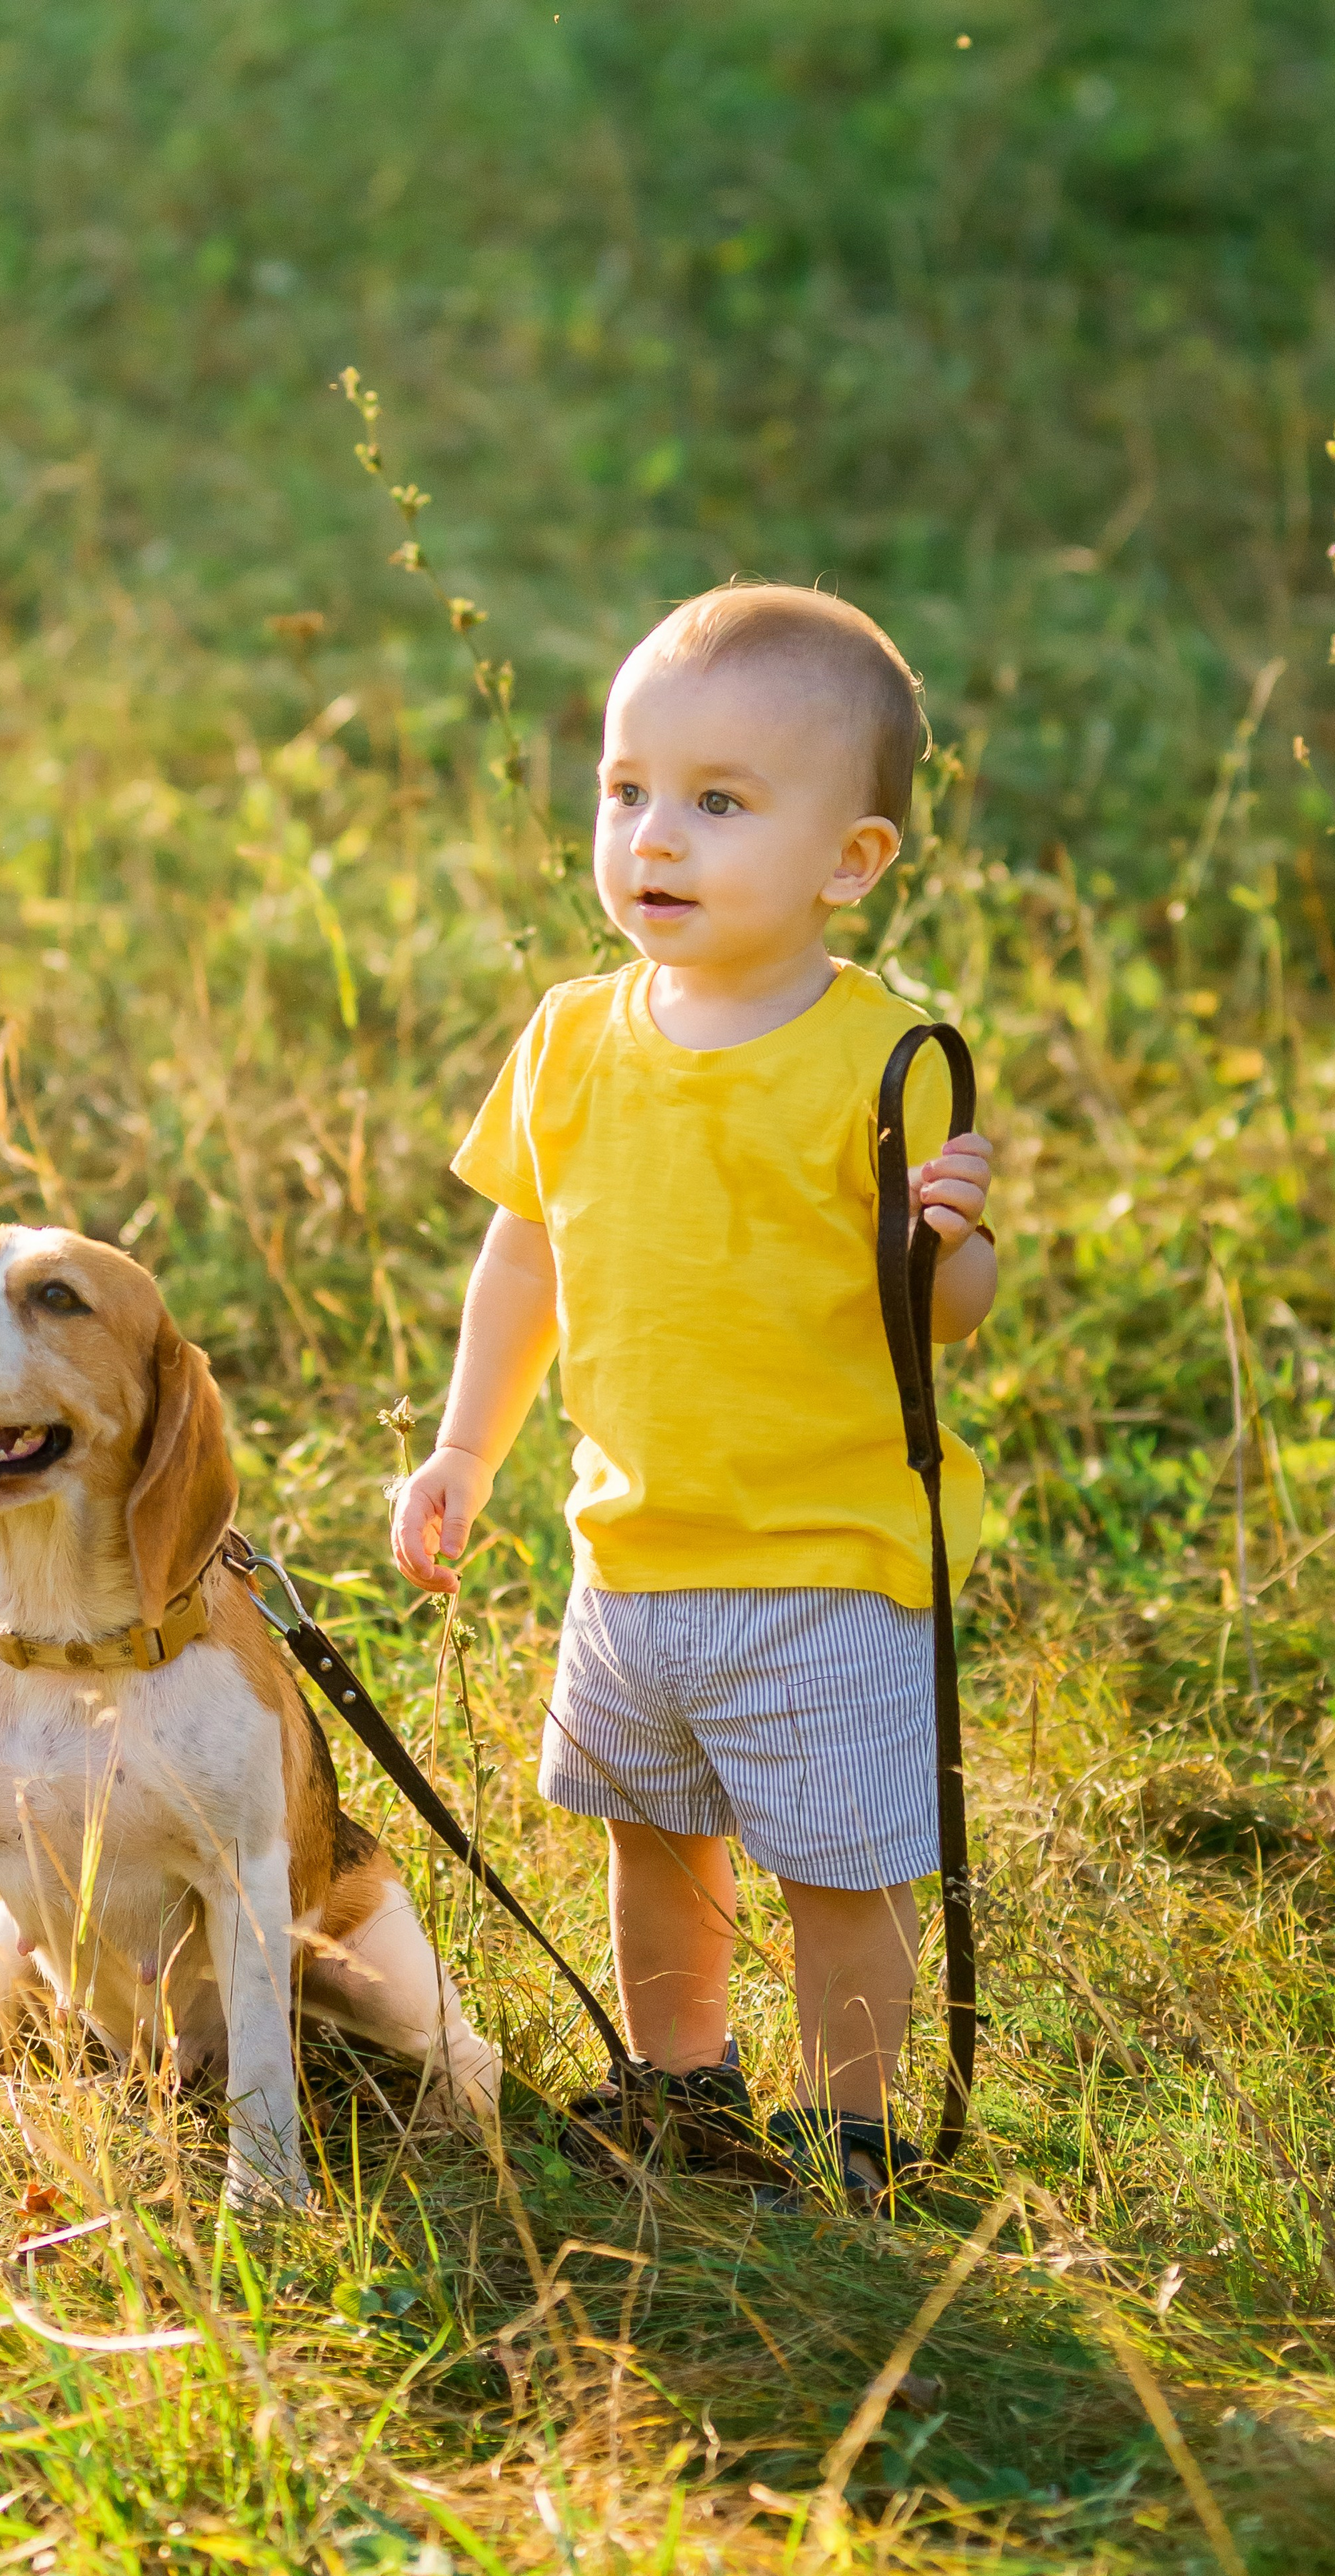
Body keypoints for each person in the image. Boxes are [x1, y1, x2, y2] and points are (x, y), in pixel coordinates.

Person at [389, 581, 996, 2203]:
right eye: (626, 790)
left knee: (832, 1867)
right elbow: (525, 1261)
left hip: (821, 1556)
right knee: (650, 1841)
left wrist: (952, 1241)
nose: (653, 837)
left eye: (719, 804)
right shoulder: (571, 1040)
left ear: (846, 862)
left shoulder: (879, 1056)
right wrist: (463, 1444)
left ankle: (849, 2131)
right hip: (632, 1547)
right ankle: (681, 2089)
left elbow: (947, 1313)